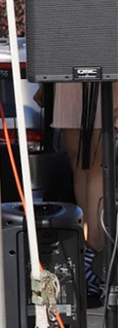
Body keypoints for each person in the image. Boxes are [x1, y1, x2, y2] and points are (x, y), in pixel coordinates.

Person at [51, 82, 118, 297]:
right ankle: (90, 247)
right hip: (72, 70)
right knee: (80, 161)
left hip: (99, 71)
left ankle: (94, 248)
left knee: (93, 164)